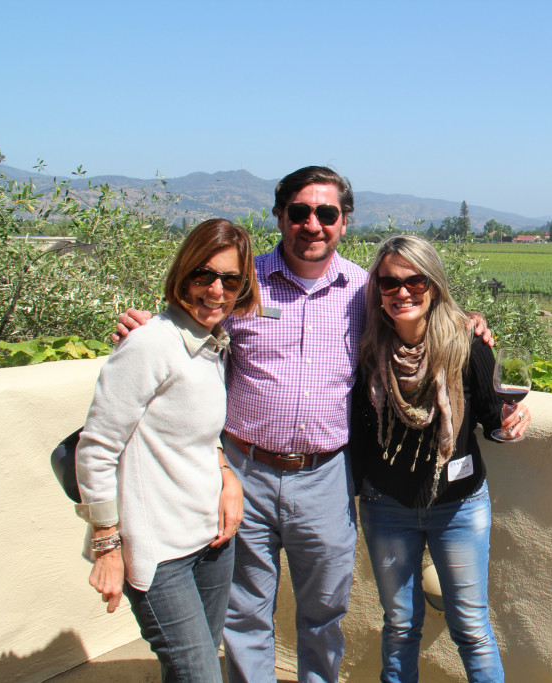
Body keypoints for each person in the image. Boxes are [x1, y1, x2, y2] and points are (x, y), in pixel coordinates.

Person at [115, 166, 492, 682]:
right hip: (241, 473)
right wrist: (149, 327)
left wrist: (468, 324)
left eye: (327, 213)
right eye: (300, 212)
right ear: (280, 215)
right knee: (243, 614)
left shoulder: (366, 290)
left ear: (344, 222)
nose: (312, 224)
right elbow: (191, 327)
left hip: (326, 478)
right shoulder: (242, 286)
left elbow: (420, 312)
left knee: (324, 615)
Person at [76, 218, 260, 681]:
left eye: (231, 280)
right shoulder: (151, 343)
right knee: (199, 675)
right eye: (204, 275)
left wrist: (227, 474)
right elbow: (96, 448)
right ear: (183, 274)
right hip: (159, 552)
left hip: (211, 539)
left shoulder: (211, 343)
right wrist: (107, 546)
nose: (216, 290)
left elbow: (196, 436)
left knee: (189, 672)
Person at [351, 234, 530, 682]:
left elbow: (491, 420)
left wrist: (509, 425)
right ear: (377, 288)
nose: (402, 292)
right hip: (386, 506)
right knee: (400, 627)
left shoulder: (468, 344)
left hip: (459, 507)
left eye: (415, 280)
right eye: (389, 283)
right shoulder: (365, 348)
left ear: (434, 284)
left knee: (471, 628)